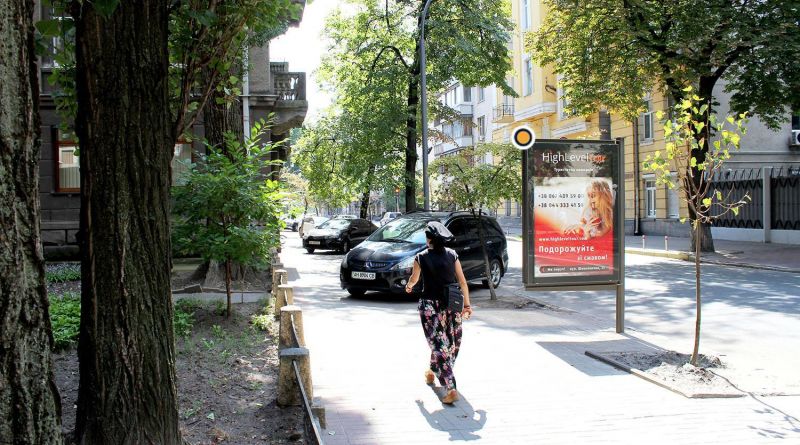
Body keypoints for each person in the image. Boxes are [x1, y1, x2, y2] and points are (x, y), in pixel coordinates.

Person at [405, 221, 473, 405]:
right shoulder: (452, 255)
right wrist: (467, 305)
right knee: (448, 344)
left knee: (439, 344)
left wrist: (409, 286)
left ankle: (450, 388)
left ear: (429, 239)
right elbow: (463, 282)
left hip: (430, 307)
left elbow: (414, 278)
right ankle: (432, 371)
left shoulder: (421, 257)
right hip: (451, 304)